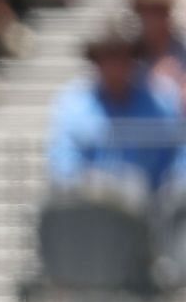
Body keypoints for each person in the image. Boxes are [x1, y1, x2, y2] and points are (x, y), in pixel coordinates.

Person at [45, 19, 185, 195]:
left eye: (123, 55)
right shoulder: (73, 105)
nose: (117, 65)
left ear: (134, 58)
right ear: (96, 60)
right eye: (109, 56)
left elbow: (179, 157)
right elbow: (64, 166)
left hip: (153, 209)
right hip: (93, 207)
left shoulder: (161, 101)